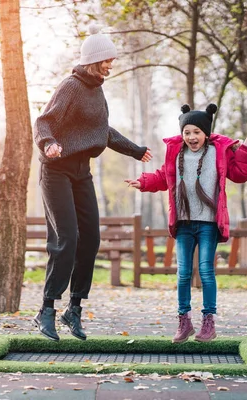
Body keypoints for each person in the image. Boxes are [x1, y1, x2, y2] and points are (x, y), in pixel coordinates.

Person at [32, 24, 153, 341]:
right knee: (66, 238)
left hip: (81, 172)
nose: (110, 65)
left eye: (112, 60)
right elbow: (44, 122)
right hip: (56, 169)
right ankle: (46, 309)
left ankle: (74, 309)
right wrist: (48, 144)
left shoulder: (97, 90)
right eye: (107, 60)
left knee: (91, 239)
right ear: (94, 59)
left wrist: (135, 150)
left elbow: (103, 132)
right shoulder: (70, 86)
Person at [125, 104, 247, 343]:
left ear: (206, 132)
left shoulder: (219, 151)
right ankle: (184, 321)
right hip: (184, 223)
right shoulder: (176, 153)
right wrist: (143, 182)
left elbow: (240, 174)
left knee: (206, 271)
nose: (191, 137)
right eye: (187, 132)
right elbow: (164, 177)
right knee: (183, 273)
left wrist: (246, 150)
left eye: (196, 132)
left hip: (208, 223)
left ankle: (208, 321)